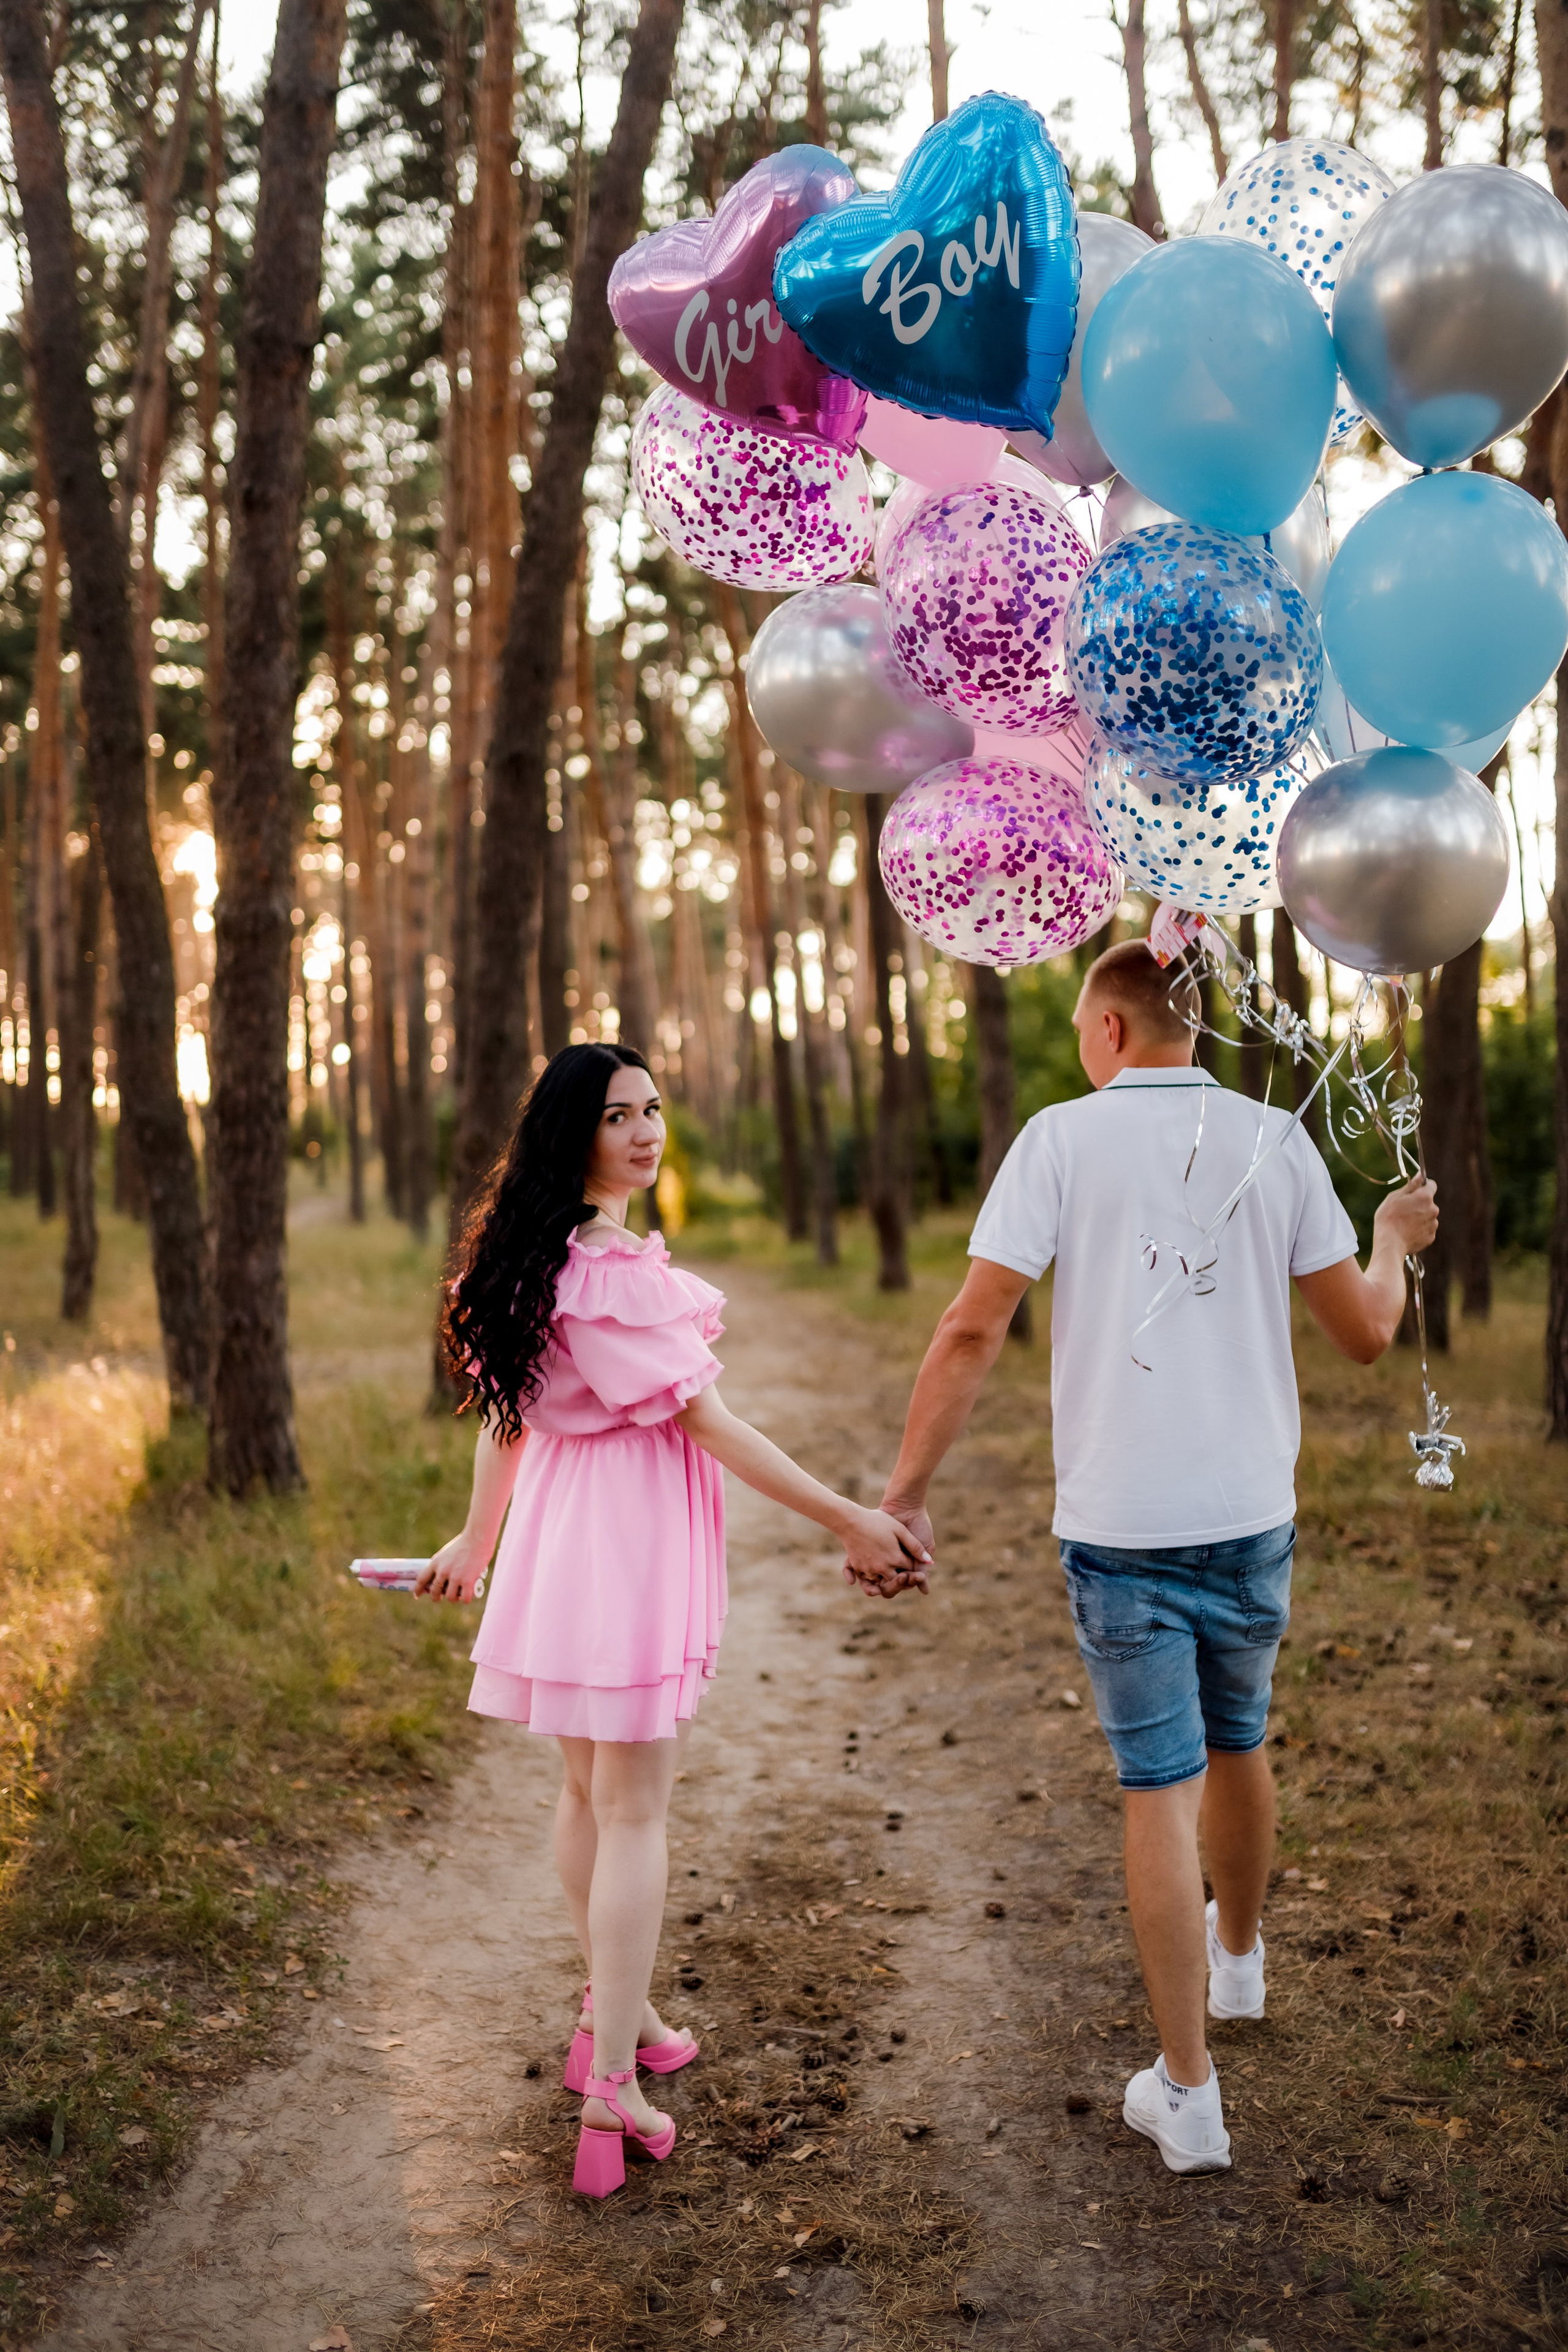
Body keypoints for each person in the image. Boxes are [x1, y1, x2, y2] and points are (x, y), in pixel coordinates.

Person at [872, 939, 1438, 2176]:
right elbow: (1364, 1335)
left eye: (1084, 1028)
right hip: (1246, 1511)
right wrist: (1390, 1236)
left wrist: (905, 1492)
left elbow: (973, 1324)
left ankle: (1188, 2093)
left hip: (1122, 1525)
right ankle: (1236, 1963)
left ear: (1112, 1032)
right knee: (1238, 1741)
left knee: (1155, 1783)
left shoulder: (1058, 1140)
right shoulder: (1274, 1140)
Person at [420, 1042, 927, 2199]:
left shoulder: (537, 1256)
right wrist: (848, 1517)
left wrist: (483, 1539)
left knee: (591, 1795)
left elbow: (507, 1417)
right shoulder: (604, 1267)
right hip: (624, 1542)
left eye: (654, 1109)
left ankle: (624, 2007)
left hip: (566, 1535)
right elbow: (714, 1428)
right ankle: (609, 2081)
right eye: (619, 1116)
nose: (647, 1131)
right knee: (633, 1807)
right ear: (572, 1135)